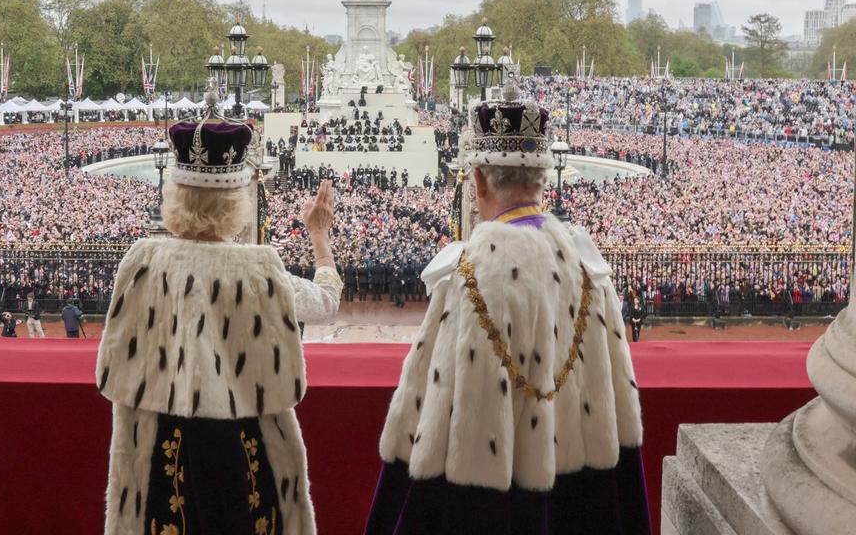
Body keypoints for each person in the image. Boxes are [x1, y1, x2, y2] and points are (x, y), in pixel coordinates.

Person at [364, 78, 649, 534]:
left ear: (478, 181)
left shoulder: (470, 273)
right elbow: (618, 405)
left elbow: (436, 411)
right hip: (580, 495)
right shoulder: (587, 265)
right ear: (542, 179)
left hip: (490, 502)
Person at [96, 102, 342, 535]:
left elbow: (112, 367)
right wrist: (319, 238)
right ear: (236, 202)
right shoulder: (259, 268)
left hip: (159, 448)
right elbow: (325, 302)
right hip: (244, 445)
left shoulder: (141, 260)